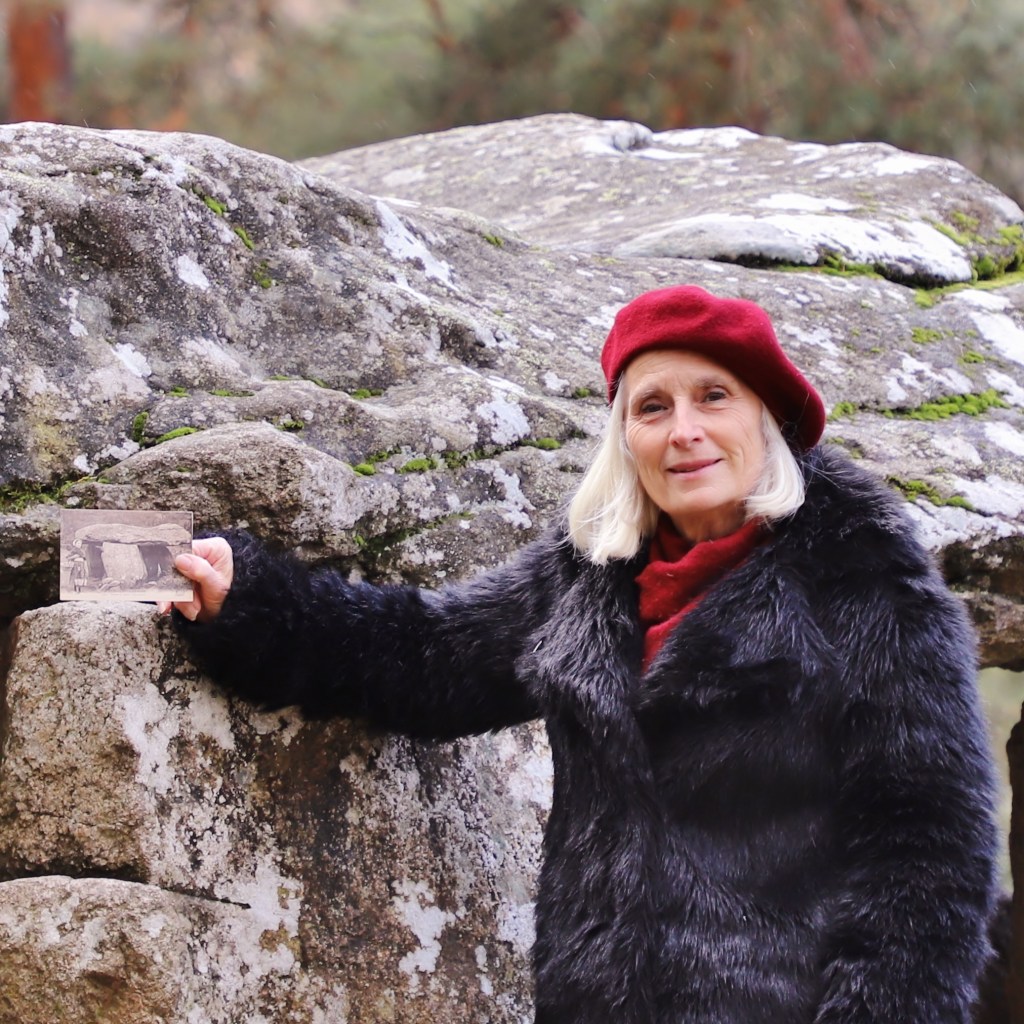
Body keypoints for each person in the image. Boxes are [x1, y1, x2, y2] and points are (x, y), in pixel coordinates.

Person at [161, 285, 999, 1024]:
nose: (685, 432)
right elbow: (425, 655)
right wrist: (251, 601)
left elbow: (930, 860)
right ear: (625, 436)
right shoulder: (591, 573)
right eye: (652, 407)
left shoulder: (868, 581)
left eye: (714, 397)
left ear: (767, 417)